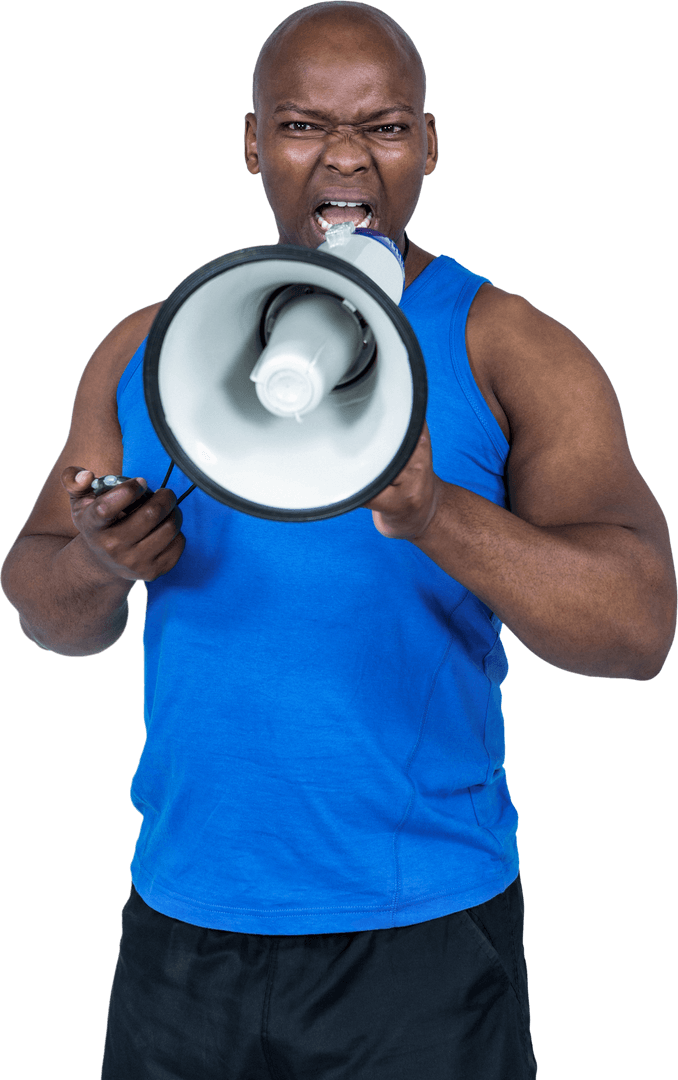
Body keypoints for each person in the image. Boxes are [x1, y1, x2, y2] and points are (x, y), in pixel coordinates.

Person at [1, 2, 675, 1078]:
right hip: (182, 934)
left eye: (389, 126)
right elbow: (46, 608)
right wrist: (97, 559)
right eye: (307, 125)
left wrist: (438, 515)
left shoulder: (511, 346)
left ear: (432, 144)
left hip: (419, 942)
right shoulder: (149, 348)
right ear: (255, 142)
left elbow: (638, 629)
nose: (349, 157)